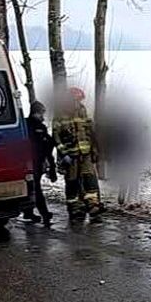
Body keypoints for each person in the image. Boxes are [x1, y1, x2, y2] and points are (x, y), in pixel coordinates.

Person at [53, 86, 102, 222]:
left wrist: (95, 150)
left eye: (79, 100)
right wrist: (63, 154)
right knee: (72, 183)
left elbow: (91, 133)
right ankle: (75, 211)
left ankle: (94, 209)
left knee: (90, 181)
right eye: (76, 100)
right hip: (71, 156)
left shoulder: (83, 112)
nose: (77, 103)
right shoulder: (60, 115)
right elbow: (56, 137)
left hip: (85, 154)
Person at [23, 100, 56, 226]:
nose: (43, 116)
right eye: (41, 113)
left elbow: (48, 146)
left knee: (31, 188)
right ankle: (44, 213)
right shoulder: (29, 126)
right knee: (35, 188)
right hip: (31, 162)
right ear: (35, 113)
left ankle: (28, 212)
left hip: (37, 162)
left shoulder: (39, 127)